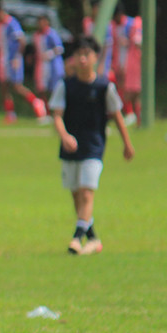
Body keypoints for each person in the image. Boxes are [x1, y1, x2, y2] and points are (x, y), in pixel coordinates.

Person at [49, 36, 134, 255]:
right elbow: (56, 115)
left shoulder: (104, 87)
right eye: (79, 54)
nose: (83, 59)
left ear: (96, 57)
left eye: (87, 54)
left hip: (94, 147)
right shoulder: (65, 86)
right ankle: (94, 239)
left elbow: (117, 115)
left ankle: (76, 239)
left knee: (87, 194)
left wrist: (127, 144)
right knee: (77, 196)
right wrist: (64, 136)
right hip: (70, 148)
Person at [0, 0, 47, 123]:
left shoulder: (12, 23)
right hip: (3, 60)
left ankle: (37, 102)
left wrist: (17, 57)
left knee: (17, 86)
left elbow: (21, 40)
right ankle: (10, 113)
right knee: (3, 86)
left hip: (13, 59)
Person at [109, 4, 142, 125]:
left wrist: (129, 42)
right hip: (119, 60)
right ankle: (130, 112)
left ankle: (135, 114)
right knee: (122, 87)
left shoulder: (132, 23)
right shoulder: (113, 26)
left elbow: (138, 40)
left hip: (132, 60)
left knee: (133, 90)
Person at [32, 14, 65, 110]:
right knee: (41, 88)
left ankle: (55, 108)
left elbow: (59, 48)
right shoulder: (37, 35)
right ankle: (45, 109)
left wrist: (49, 54)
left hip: (52, 66)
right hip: (41, 65)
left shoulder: (51, 34)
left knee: (54, 88)